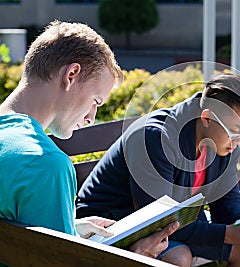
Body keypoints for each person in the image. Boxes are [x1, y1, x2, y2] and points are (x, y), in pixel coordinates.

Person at [0, 20, 178, 260]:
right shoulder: (45, 164)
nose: (91, 118)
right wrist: (134, 255)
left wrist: (71, 228)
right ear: (71, 75)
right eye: (95, 101)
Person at [76, 73, 240, 267]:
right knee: (178, 256)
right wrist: (228, 234)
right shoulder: (155, 137)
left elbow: (227, 202)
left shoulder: (224, 142)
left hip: (175, 224)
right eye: (234, 131)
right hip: (113, 223)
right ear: (206, 118)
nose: (238, 141)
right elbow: (157, 220)